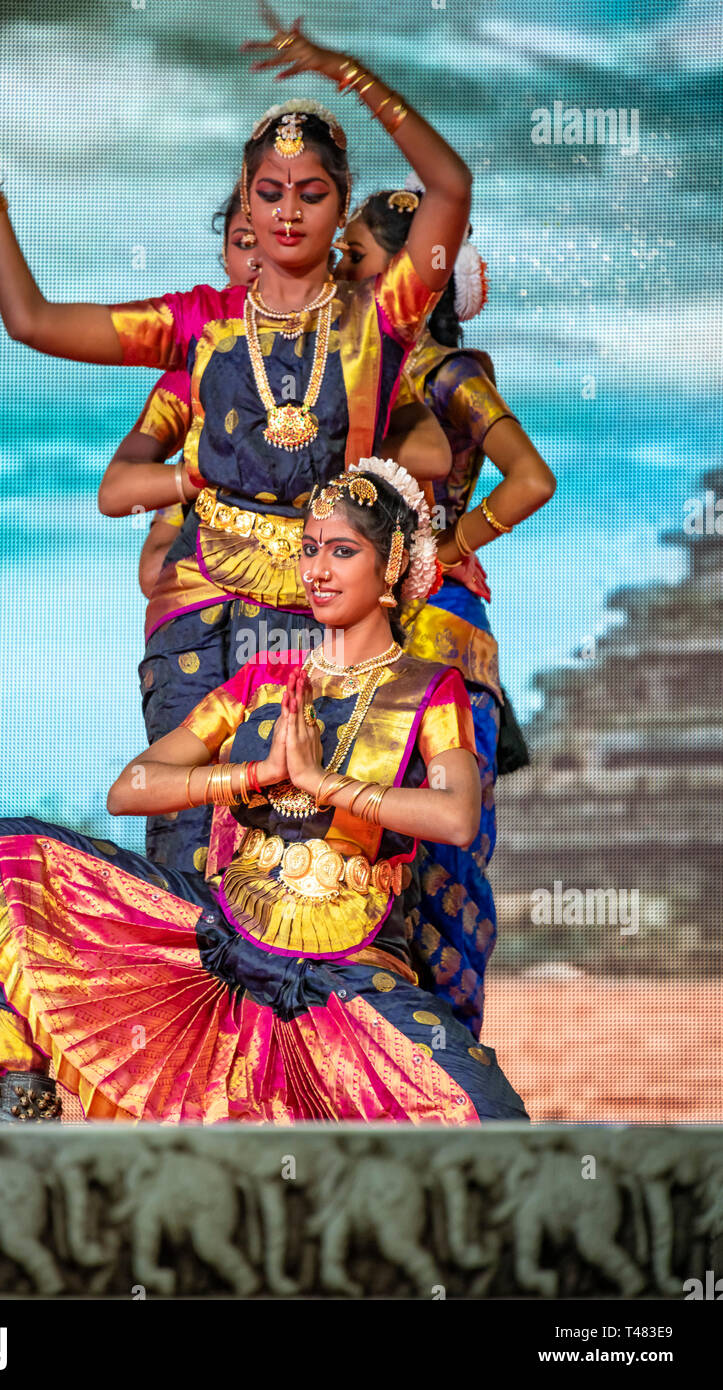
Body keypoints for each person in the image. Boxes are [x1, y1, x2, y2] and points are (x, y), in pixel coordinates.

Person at [0, 9, 469, 873]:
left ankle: (320, 1002)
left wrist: (349, 72)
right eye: (267, 192)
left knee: (313, 840)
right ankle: (191, 1004)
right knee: (194, 840)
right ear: (243, 199)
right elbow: (34, 321)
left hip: (326, 601)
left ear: (340, 203)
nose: (287, 211)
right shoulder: (198, 325)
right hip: (206, 603)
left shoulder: (376, 320)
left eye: (311, 194)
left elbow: (449, 189)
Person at [0, 460, 529, 1125]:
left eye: (342, 551)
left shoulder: (427, 686)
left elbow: (454, 817)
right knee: (2, 853)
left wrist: (322, 784)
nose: (316, 570)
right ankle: (20, 1098)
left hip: (346, 976)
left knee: (492, 1123)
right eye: (308, 549)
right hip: (222, 944)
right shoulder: (263, 680)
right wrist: (246, 777)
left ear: (392, 560)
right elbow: (130, 787)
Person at [337, 189, 557, 1037]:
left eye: (354, 257)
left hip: (437, 633)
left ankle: (448, 1061)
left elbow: (530, 479)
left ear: (414, 277)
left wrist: (440, 543)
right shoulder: (351, 377)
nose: (339, 271)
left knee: (440, 857)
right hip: (373, 628)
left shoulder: (444, 376)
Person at [100, 186, 263, 601]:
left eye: (279, 240)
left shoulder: (350, 352)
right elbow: (117, 493)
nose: (259, 260)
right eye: (244, 244)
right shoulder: (196, 372)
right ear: (225, 258)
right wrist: (200, 478)